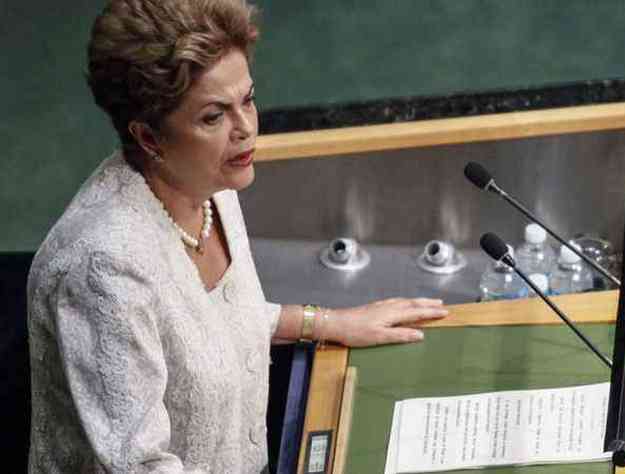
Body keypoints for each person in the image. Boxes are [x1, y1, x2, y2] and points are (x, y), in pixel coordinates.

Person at [26, 1, 447, 472]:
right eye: (213, 116)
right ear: (148, 138)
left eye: (247, 100)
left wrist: (329, 322)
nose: (246, 129)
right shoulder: (103, 267)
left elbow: (212, 326)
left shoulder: (208, 184)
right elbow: (143, 466)